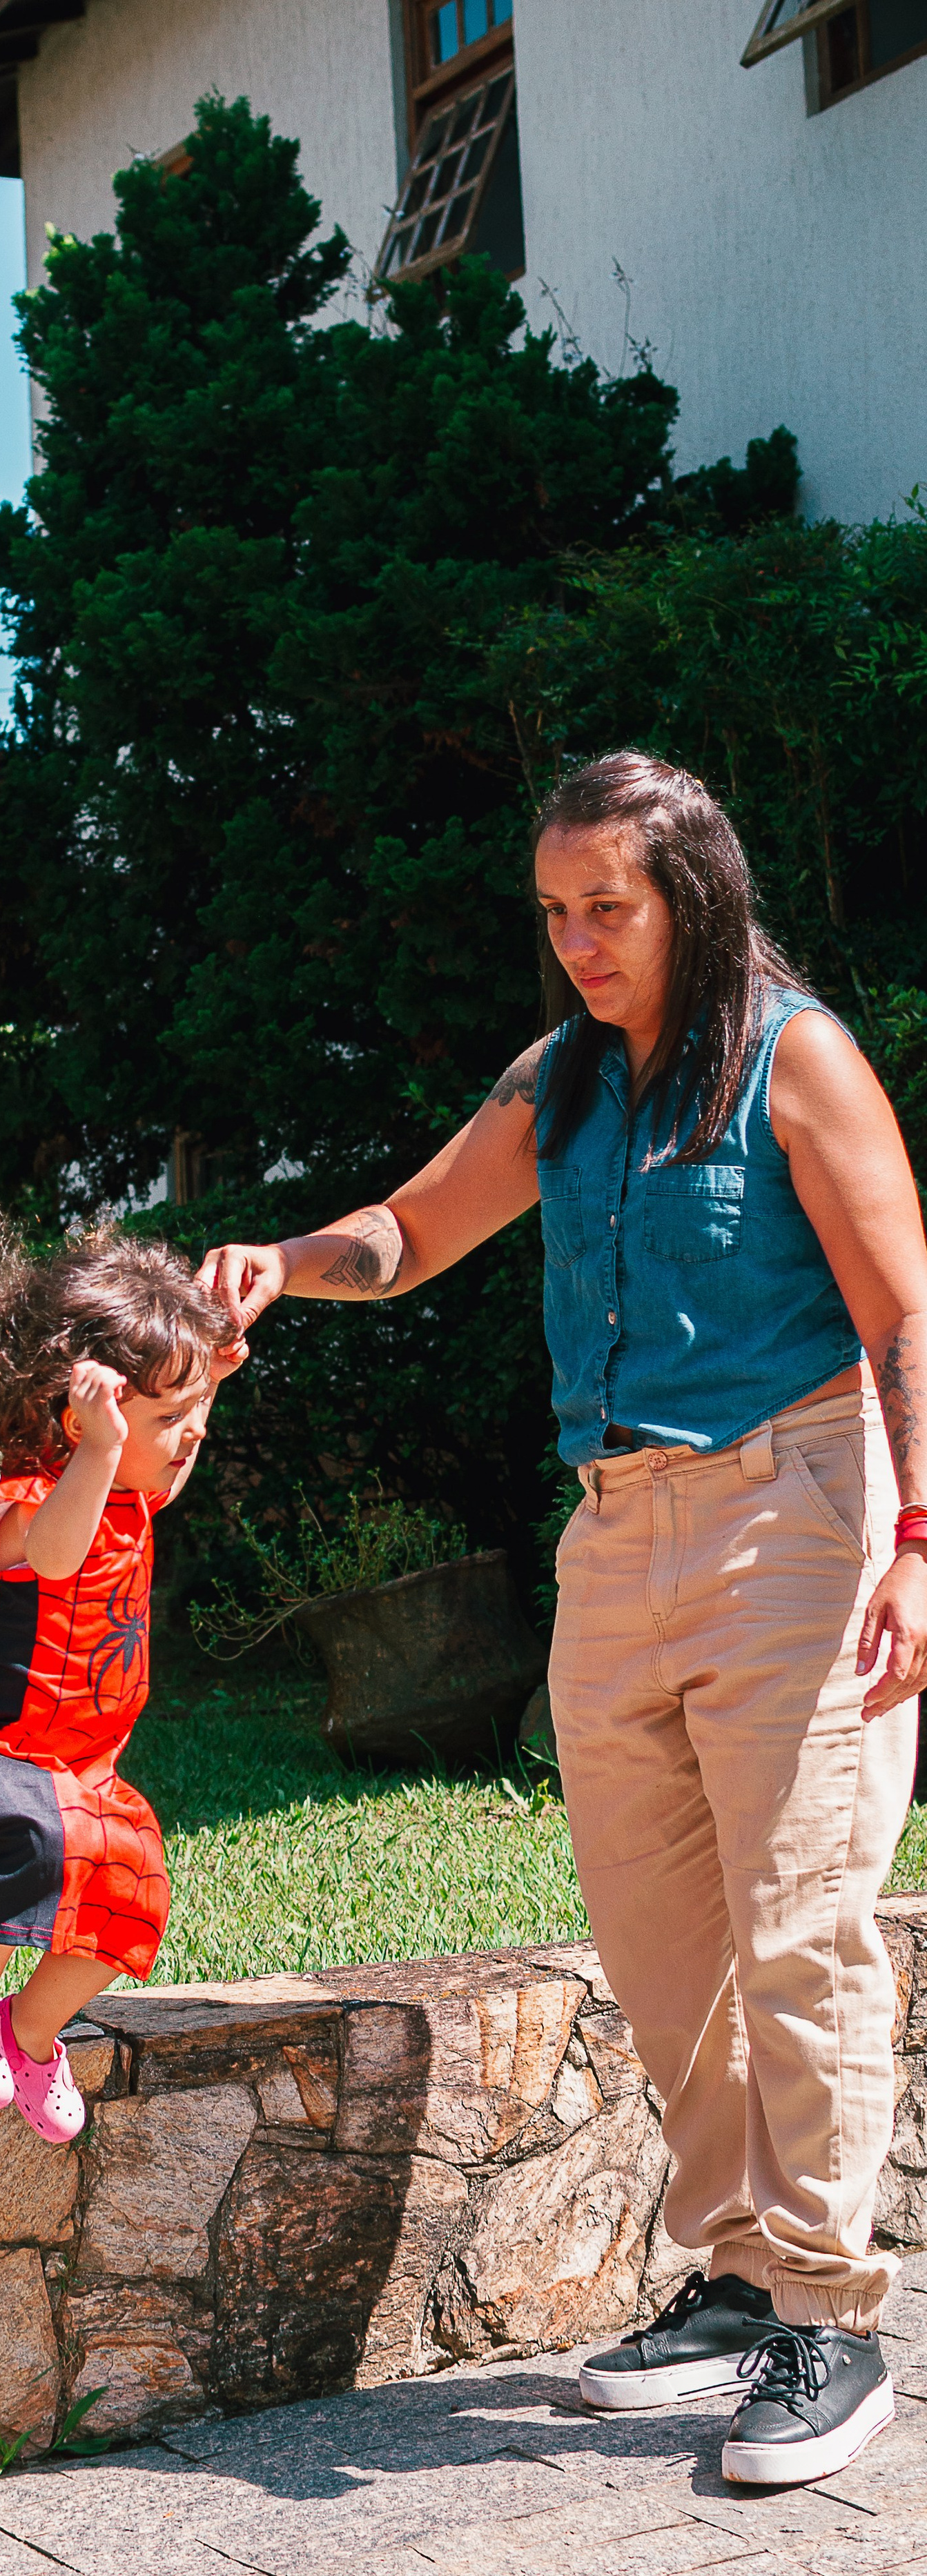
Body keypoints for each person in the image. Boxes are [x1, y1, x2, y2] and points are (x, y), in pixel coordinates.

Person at [199, 751, 927, 2487]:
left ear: (692, 893)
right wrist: (276, 1264)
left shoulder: (792, 1055)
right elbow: (411, 1229)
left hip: (797, 1507)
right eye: (554, 911)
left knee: (797, 1920)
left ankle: (834, 2315)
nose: (578, 941)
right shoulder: (562, 1078)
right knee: (656, 1931)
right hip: (611, 1531)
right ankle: (740, 2272)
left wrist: (917, 1537)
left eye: (607, 907)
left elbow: (905, 1310)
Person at [0, 1214, 244, 2141]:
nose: (190, 1438)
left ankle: (34, 2033)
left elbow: (160, 1471)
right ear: (76, 1419)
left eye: (194, 1418)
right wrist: (100, 1450)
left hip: (78, 1756)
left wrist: (197, 1392)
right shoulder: (24, 1505)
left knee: (134, 1891)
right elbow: (52, 1554)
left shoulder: (131, 1489)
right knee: (34, 1850)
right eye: (169, 1422)